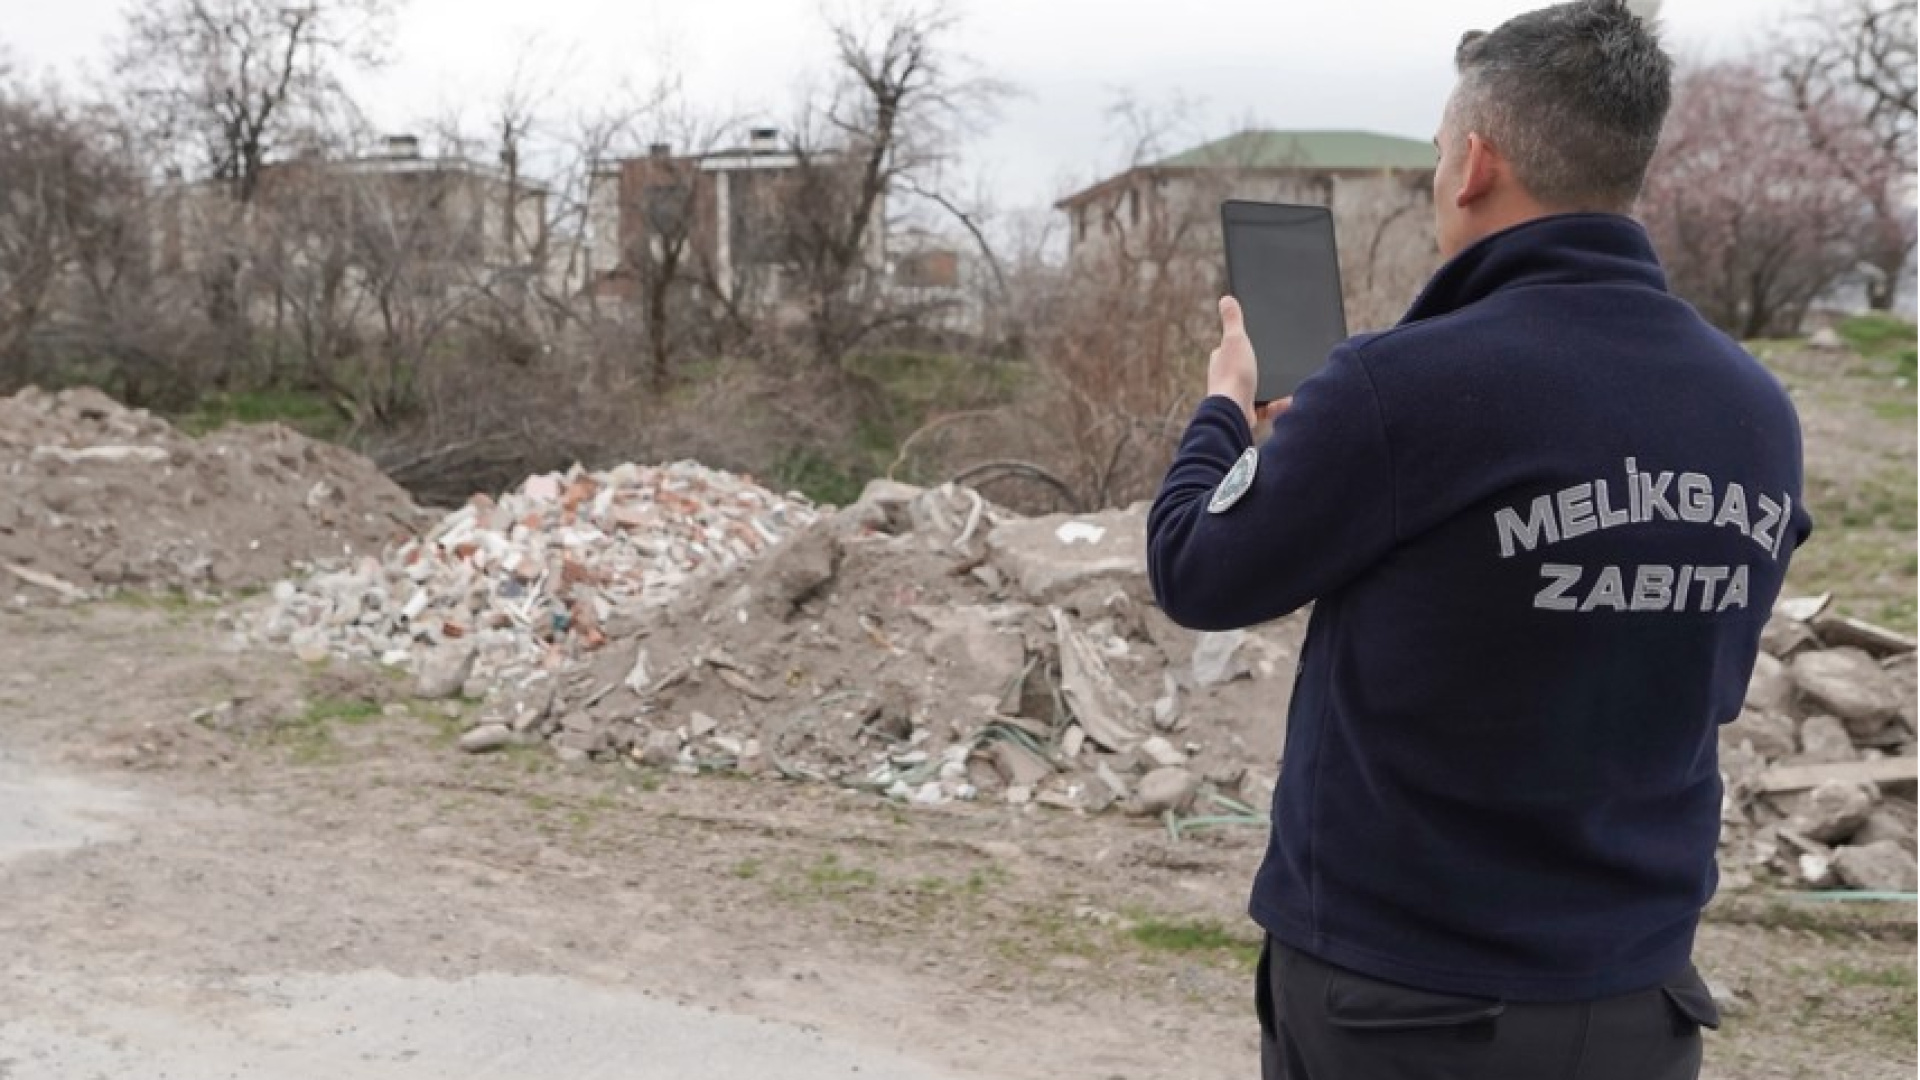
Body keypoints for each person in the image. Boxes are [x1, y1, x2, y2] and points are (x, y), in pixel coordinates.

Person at [1145, 2, 1813, 1078]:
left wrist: (1227, 414)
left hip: (1405, 1006)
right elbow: (1701, 661)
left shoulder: (1401, 386)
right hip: (1639, 1005)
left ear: (1475, 164)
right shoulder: (1756, 410)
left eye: (1437, 155)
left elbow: (1194, 568)